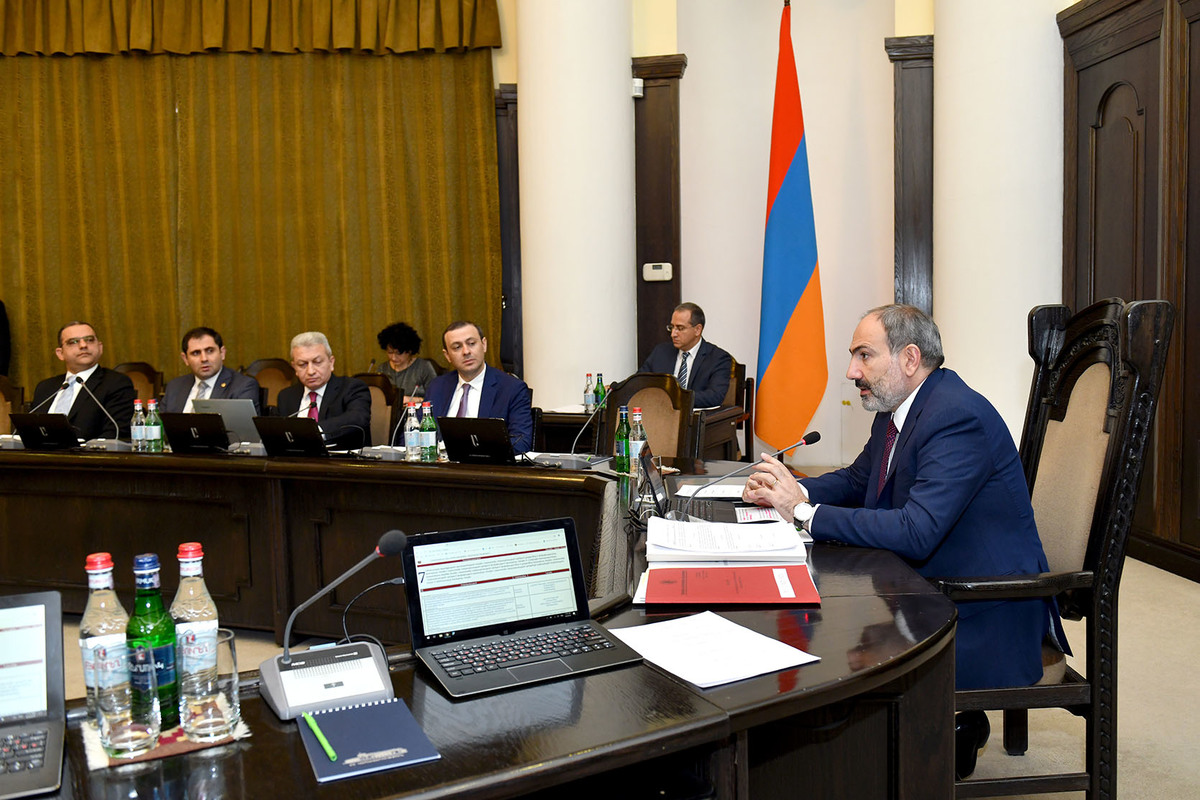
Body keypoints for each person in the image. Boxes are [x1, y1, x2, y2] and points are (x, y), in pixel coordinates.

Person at [742, 303, 1065, 779]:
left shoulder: (956, 416)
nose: (851, 371)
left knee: (829, 655)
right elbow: (859, 479)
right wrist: (794, 490)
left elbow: (916, 531)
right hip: (932, 587)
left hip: (983, 610)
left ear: (910, 358)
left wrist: (804, 514)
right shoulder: (901, 408)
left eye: (864, 355)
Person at [425, 321, 533, 453]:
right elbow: (413, 434)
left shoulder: (512, 388)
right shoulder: (437, 386)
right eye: (457, 347)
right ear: (447, 355)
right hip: (438, 463)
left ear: (484, 344)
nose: (466, 351)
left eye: (471, 343)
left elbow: (521, 442)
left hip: (484, 464)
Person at [31, 321, 135, 440]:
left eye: (89, 340)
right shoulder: (45, 388)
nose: (83, 345)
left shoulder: (116, 383)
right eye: (73, 342)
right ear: (60, 353)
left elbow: (115, 434)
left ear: (100, 347)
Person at [276, 331, 372, 449]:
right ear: (294, 367)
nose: (310, 371)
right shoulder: (286, 396)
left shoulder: (352, 388)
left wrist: (316, 431)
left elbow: (358, 418)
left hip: (340, 459)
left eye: (317, 362)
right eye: (302, 364)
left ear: (331, 363)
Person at [638, 302, 732, 408]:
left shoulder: (718, 358)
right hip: (661, 413)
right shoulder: (661, 352)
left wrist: (676, 398)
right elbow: (639, 382)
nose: (673, 334)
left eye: (680, 328)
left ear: (697, 330)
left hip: (695, 416)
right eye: (672, 327)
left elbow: (715, 396)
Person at [162, 327, 261, 414]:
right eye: (196, 353)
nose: (204, 359)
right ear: (185, 359)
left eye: (210, 351)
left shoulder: (243, 386)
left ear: (222, 353)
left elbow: (242, 427)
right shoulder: (175, 387)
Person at [376, 321, 437, 403]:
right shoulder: (382, 369)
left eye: (399, 353)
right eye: (390, 352)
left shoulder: (424, 367)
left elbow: (436, 397)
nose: (393, 357)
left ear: (409, 351)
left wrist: (414, 400)